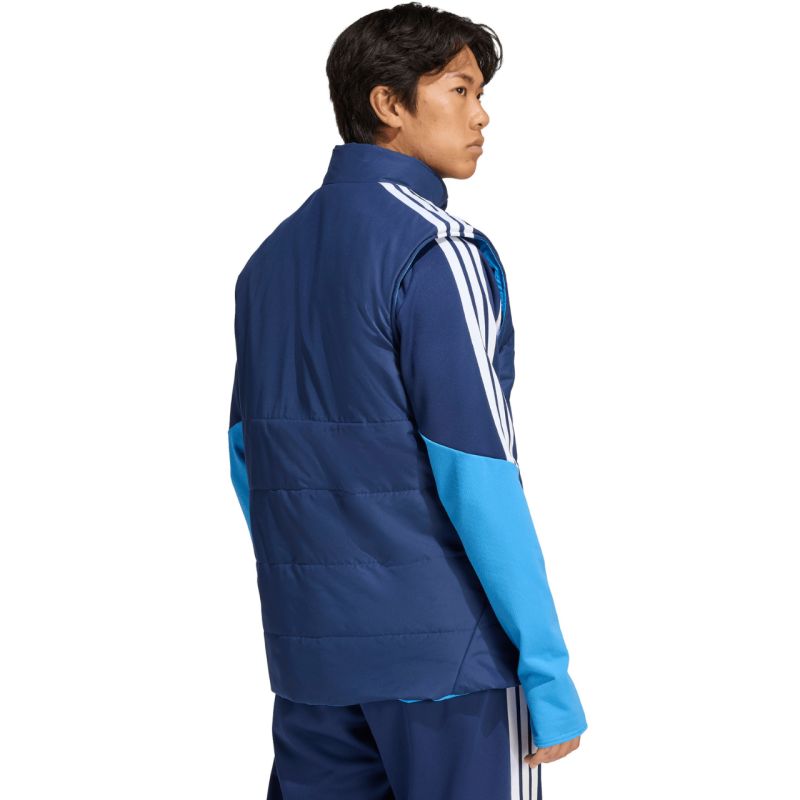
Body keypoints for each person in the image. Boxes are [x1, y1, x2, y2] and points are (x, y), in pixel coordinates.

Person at [228, 4, 588, 797]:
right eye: (460, 90)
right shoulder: (438, 251)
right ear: (389, 104)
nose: (482, 115)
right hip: (448, 666)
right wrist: (546, 668)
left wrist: (322, 604)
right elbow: (479, 473)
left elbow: (250, 462)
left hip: (313, 663)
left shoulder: (267, 263)